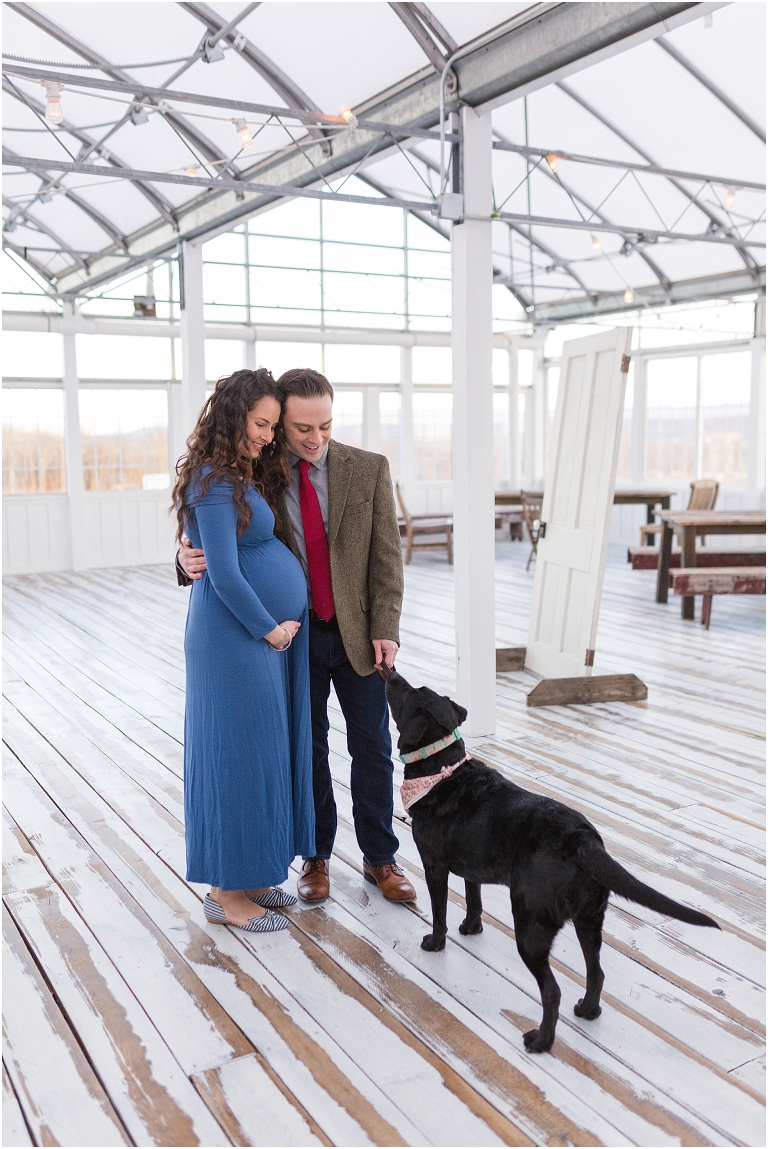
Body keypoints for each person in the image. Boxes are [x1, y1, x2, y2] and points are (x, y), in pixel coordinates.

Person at [178, 367, 416, 905]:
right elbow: (213, 529)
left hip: (356, 634)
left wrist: (387, 629)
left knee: (374, 747)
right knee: (305, 749)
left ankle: (382, 858)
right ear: (280, 423)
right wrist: (182, 557)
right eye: (301, 428)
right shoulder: (256, 468)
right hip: (293, 638)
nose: (314, 439)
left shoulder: (368, 469)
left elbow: (387, 559)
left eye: (325, 427)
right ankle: (316, 856)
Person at [173, 368, 315, 933]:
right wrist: (270, 630)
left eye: (272, 426)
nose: (266, 435)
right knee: (234, 758)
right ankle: (226, 896)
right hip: (234, 640)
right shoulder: (212, 479)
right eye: (260, 423)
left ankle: (252, 877)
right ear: (233, 416)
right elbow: (226, 575)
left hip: (254, 638)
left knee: (259, 754)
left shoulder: (237, 474)